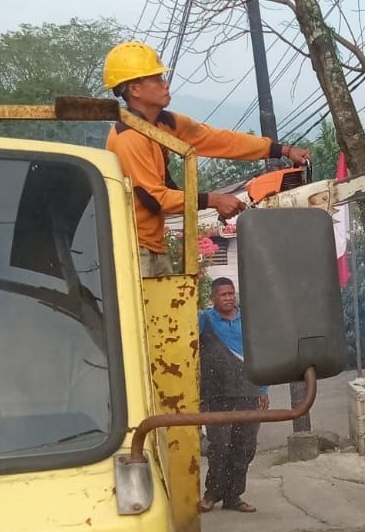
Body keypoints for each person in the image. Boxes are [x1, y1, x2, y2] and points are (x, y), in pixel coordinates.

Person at [103, 41, 310, 276]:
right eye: (157, 79)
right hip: (132, 250)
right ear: (135, 90)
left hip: (153, 247)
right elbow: (154, 199)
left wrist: (280, 149)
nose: (165, 84)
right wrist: (214, 200)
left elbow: (219, 140)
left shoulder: (164, 124)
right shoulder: (129, 137)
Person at [198, 278, 267, 514]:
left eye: (231, 294)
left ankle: (233, 496)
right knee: (219, 445)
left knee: (245, 445)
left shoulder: (247, 320)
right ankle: (211, 494)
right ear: (212, 298)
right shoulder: (203, 319)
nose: (228, 298)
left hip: (248, 390)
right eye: (223, 295)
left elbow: (260, 352)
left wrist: (263, 389)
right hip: (215, 394)